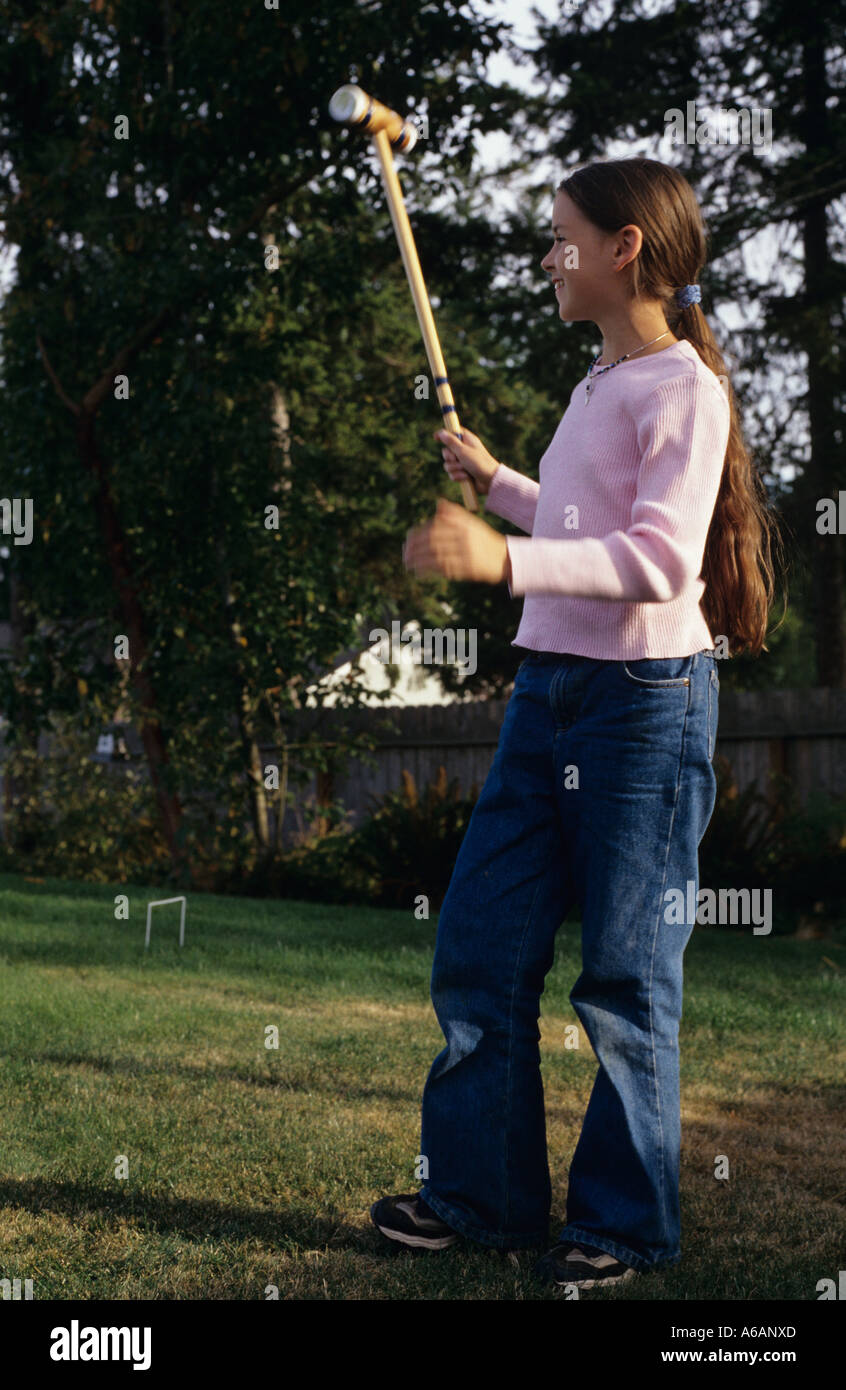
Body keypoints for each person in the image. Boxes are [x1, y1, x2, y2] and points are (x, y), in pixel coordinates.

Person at [370, 157, 781, 1292]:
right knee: (480, 946)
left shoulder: (684, 391)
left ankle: (621, 1224)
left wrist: (501, 557)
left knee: (626, 980)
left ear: (624, 250)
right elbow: (577, 515)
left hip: (640, 711)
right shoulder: (596, 385)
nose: (548, 259)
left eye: (561, 240)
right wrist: (501, 482)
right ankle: (482, 1198)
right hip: (546, 694)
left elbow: (656, 563)